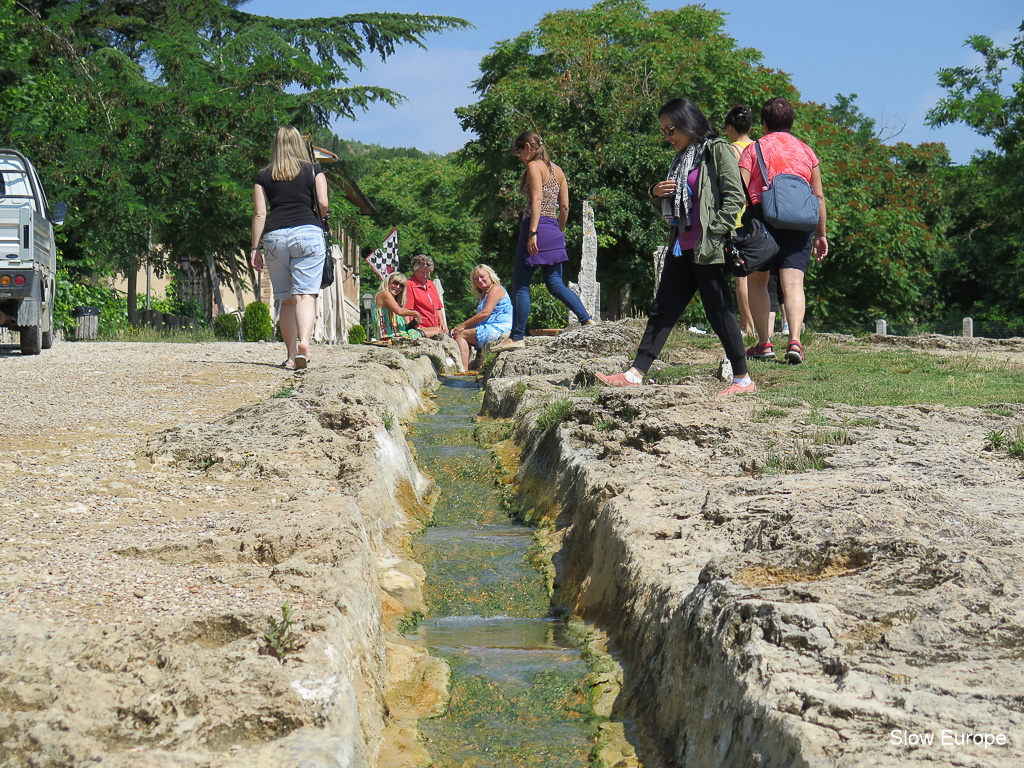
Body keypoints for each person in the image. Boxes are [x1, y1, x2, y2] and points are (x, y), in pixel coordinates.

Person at [596, 98, 755, 396]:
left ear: (688, 122)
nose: (667, 137)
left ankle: (743, 379)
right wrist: (655, 193)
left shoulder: (716, 150)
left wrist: (715, 232)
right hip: (681, 246)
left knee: (719, 312)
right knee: (662, 310)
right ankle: (635, 373)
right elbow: (675, 206)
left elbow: (736, 199)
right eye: (664, 131)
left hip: (709, 249)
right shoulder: (682, 158)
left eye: (671, 130)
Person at [738, 97, 827, 364]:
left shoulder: (753, 150)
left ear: (764, 123)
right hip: (800, 223)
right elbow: (819, 196)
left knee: (758, 282)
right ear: (791, 122)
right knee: (794, 284)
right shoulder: (806, 151)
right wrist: (821, 234)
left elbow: (738, 189)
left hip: (761, 220)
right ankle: (795, 342)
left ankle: (764, 343)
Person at [498, 130, 592, 350]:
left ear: (528, 147)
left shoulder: (534, 167)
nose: (519, 156)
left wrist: (532, 232)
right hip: (553, 229)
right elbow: (565, 207)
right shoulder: (558, 171)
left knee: (521, 285)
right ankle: (586, 319)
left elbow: (537, 199)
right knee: (556, 284)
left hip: (535, 227)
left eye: (519, 151)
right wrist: (557, 231)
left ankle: (517, 337)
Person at [250, 125, 328, 370]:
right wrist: (320, 215)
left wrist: (254, 248)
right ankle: (304, 342)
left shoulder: (263, 175)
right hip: (307, 233)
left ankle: (292, 355)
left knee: (286, 299)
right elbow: (323, 203)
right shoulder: (314, 170)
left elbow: (260, 213)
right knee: (306, 295)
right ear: (299, 144)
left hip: (275, 237)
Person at [724, 105, 756, 336]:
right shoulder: (758, 148)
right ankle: (762, 324)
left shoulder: (731, 150)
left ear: (729, 128)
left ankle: (747, 324)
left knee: (741, 276)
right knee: (759, 276)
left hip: (738, 217)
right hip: (760, 215)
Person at [450, 264, 512, 371]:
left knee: (460, 334)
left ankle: (463, 370)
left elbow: (485, 313)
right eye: (476, 279)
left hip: (500, 328)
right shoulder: (485, 294)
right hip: (491, 327)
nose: (479, 280)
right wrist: (461, 327)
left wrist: (462, 326)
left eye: (482, 276)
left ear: (490, 276)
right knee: (459, 332)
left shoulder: (496, 289)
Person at [404, 254, 447, 337]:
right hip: (420, 328)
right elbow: (407, 309)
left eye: (427, 272)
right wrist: (409, 326)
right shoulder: (410, 285)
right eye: (422, 272)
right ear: (414, 270)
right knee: (438, 332)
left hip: (435, 327)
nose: (425, 275)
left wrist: (442, 324)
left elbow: (438, 308)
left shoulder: (431, 284)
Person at [373, 272, 422, 340]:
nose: (398, 287)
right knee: (435, 331)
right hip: (389, 337)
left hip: (395, 336)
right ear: (388, 282)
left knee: (434, 330)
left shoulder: (395, 303)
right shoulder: (384, 293)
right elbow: (399, 311)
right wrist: (416, 313)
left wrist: (412, 324)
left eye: (401, 285)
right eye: (395, 283)